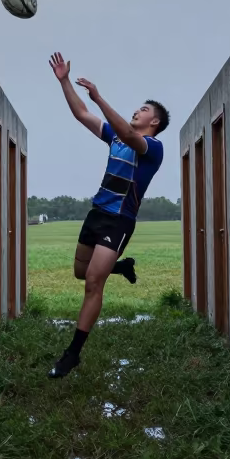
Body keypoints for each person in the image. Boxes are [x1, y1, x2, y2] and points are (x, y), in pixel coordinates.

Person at [46, 50, 168, 379]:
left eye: (144, 109)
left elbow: (128, 134)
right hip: (97, 213)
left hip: (119, 220)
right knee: (80, 272)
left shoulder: (153, 149)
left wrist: (99, 97)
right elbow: (81, 114)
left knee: (92, 283)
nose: (137, 111)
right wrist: (64, 82)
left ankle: (72, 355)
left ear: (154, 122)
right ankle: (122, 266)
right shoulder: (115, 136)